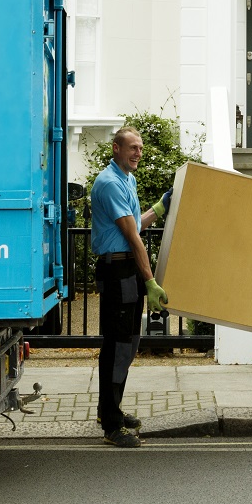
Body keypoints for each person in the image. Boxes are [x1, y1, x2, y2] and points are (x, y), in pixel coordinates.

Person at [89, 126, 170, 447]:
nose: (138, 153)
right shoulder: (108, 183)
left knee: (130, 342)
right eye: (132, 148)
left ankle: (111, 409)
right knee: (118, 344)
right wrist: (150, 280)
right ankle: (111, 424)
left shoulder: (127, 180)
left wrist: (159, 209)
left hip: (127, 268)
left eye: (140, 148)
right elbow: (132, 236)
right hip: (117, 269)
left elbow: (136, 224)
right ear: (116, 149)